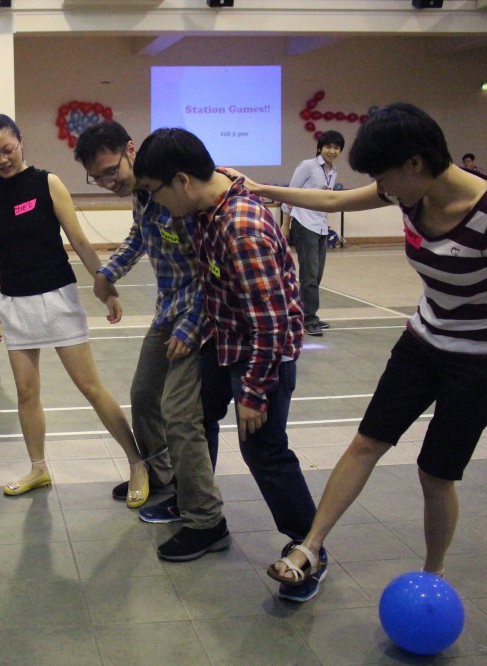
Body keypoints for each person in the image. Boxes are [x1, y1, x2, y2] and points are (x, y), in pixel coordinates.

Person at [244, 102, 487, 594]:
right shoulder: (408, 192)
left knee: (435, 472)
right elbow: (331, 203)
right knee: (366, 442)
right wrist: (262, 190)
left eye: (385, 177)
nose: (383, 189)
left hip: (483, 358)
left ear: (415, 163)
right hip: (424, 339)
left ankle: (433, 572)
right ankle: (308, 548)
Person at [133, 128, 322, 599]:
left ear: (182, 180)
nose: (156, 203)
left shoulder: (240, 226)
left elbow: (271, 322)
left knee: (265, 449)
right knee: (190, 415)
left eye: (156, 192)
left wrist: (254, 392)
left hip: (260, 354)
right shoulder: (205, 209)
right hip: (224, 341)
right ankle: (204, 520)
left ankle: (308, 547)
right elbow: (216, 287)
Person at [0, 114, 149, 504]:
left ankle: (137, 462)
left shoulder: (46, 182)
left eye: (7, 149)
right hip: (15, 304)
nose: (2, 159)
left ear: (20, 141)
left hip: (57, 298)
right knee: (26, 391)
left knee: (90, 387)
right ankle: (38, 467)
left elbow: (80, 242)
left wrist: (106, 289)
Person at [75, 121, 227, 553]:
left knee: (180, 416)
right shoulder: (144, 193)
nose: (108, 183)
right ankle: (162, 477)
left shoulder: (178, 191)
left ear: (130, 149)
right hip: (169, 310)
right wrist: (107, 273)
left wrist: (191, 325)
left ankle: (205, 519)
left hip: (201, 316)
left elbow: (212, 269)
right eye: (97, 178)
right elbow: (140, 238)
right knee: (144, 395)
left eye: (110, 171)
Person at [283, 130, 344, 337]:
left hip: (320, 226)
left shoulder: (333, 170)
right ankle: (310, 319)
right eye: (328, 147)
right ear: (320, 148)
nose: (332, 151)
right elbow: (290, 194)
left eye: (336, 148)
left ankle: (300, 314)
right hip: (303, 224)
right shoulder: (307, 166)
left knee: (316, 276)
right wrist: (285, 225)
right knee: (309, 276)